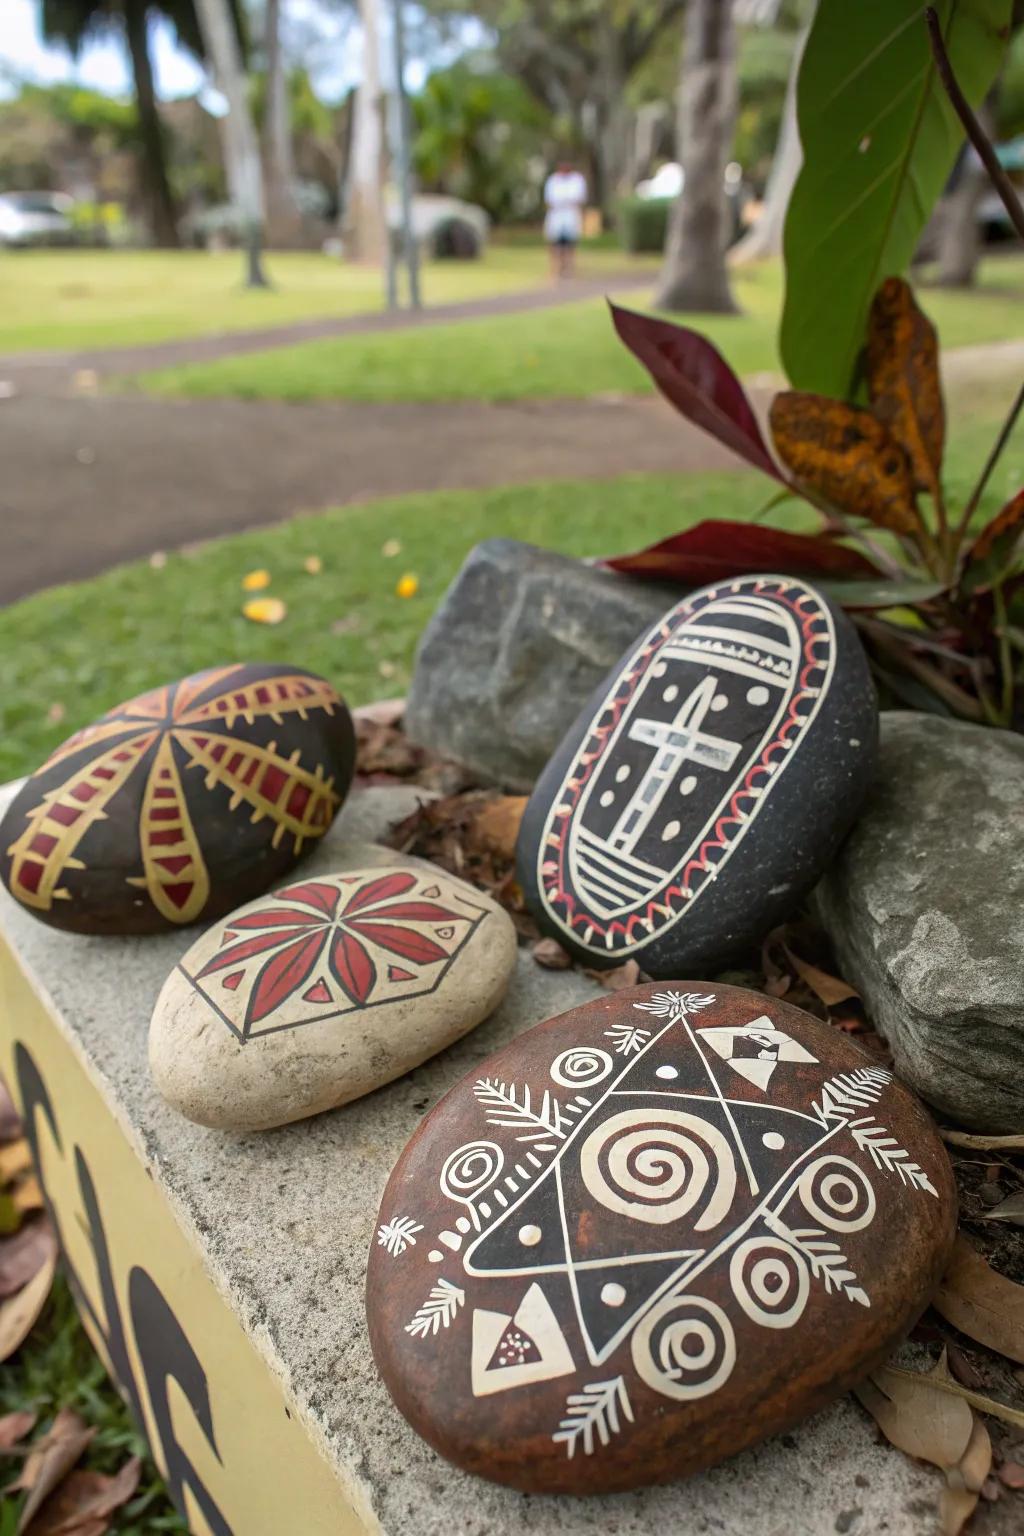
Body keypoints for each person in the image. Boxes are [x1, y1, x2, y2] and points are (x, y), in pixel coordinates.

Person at [543, 161, 587, 280]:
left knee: (570, 243)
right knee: (555, 243)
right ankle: (556, 269)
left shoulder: (577, 180)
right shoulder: (553, 180)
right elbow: (549, 199)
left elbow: (579, 198)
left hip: (570, 215)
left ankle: (569, 269)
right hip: (557, 215)